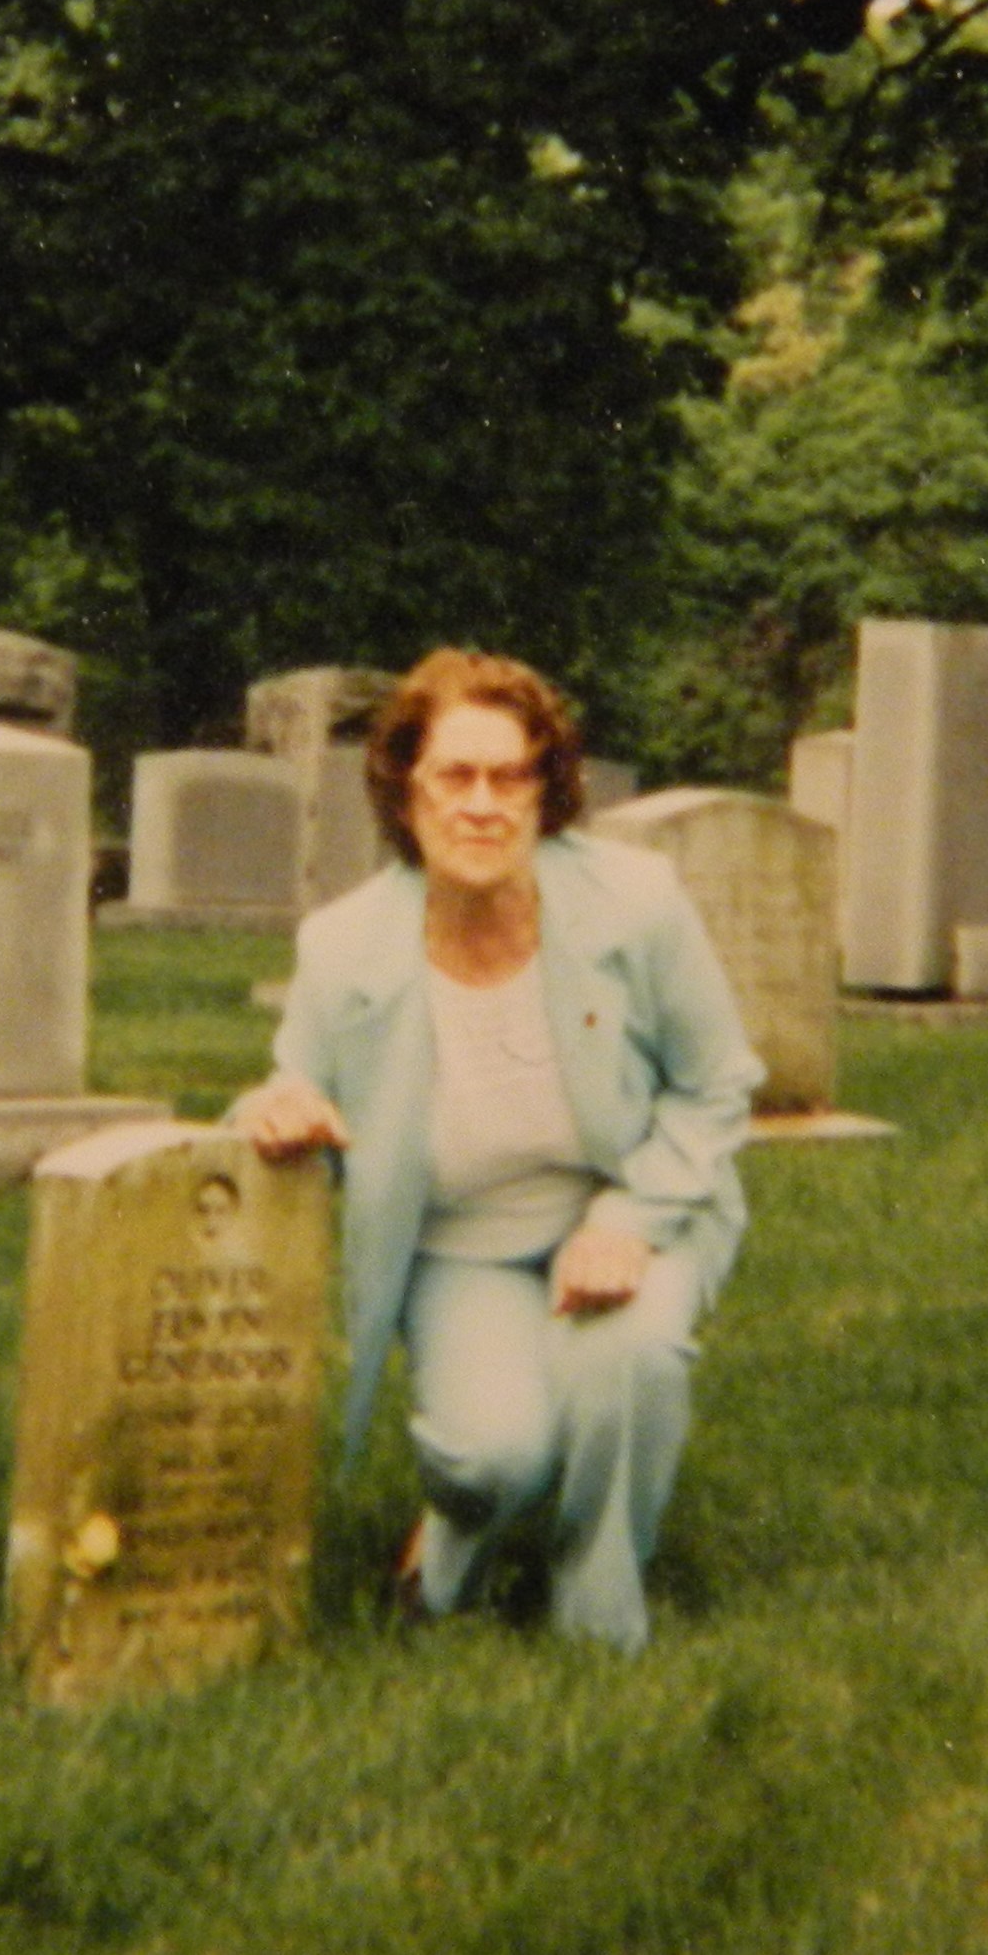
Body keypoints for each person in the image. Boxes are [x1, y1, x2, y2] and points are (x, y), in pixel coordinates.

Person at [232, 648, 761, 1652]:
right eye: (455, 777)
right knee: (493, 1458)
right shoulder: (343, 947)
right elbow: (294, 1087)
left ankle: (597, 1626)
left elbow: (717, 1082)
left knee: (627, 1359)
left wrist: (629, 1221)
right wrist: (282, 1108)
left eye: (511, 777)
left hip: (632, 1206)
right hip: (461, 1242)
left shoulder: (635, 902)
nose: (482, 805)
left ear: (546, 790)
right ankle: (446, 1555)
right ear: (406, 790)